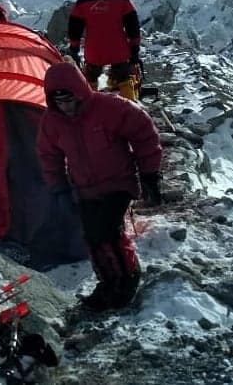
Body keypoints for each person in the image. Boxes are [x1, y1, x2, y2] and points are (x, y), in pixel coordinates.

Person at [37, 61, 162, 312]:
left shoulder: (109, 108)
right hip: (85, 188)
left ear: (80, 92)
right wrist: (59, 188)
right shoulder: (52, 122)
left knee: (109, 232)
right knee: (92, 236)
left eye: (69, 100)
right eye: (59, 102)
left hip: (119, 182)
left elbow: (144, 133)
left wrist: (149, 175)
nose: (66, 107)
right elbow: (48, 155)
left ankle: (128, 278)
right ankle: (107, 282)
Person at [67, 0, 141, 99]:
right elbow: (133, 27)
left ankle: (89, 104)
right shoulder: (122, 1)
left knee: (90, 79)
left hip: (94, 52)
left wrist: (74, 49)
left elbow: (74, 30)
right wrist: (135, 49)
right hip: (119, 51)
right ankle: (131, 105)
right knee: (124, 79)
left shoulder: (82, 3)